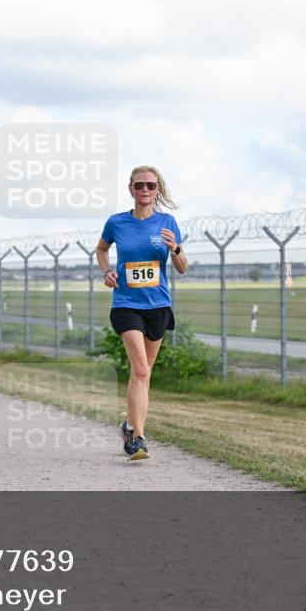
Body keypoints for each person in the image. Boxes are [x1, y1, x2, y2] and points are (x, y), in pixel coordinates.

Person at [96, 165, 188, 461]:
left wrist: (175, 249)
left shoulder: (167, 222)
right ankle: (139, 439)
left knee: (143, 374)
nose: (144, 190)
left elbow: (183, 267)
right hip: (126, 304)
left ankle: (128, 426)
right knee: (141, 369)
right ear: (130, 189)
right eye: (139, 185)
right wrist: (107, 271)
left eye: (150, 185)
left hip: (158, 305)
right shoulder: (117, 222)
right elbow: (101, 249)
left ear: (158, 189)